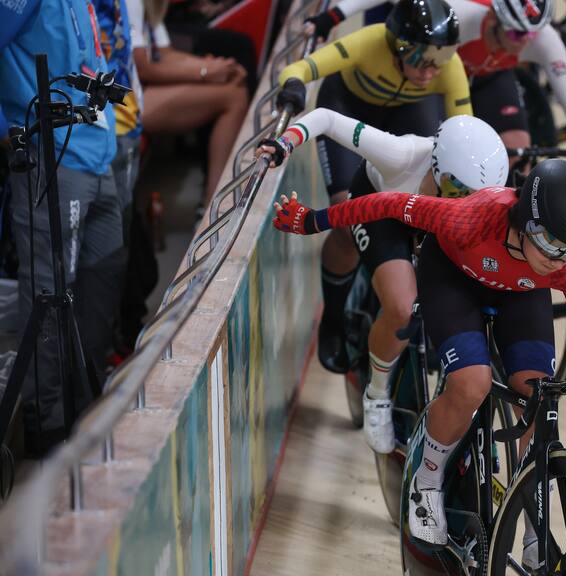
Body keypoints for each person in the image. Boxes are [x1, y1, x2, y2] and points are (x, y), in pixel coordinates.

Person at [272, 159, 566, 569]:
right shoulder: (470, 218)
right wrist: (313, 220)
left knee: (539, 396)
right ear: (525, 220)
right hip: (452, 278)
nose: (558, 259)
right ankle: (428, 479)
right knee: (473, 384)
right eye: (548, 242)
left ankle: (532, 526)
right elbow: (386, 203)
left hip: (520, 293)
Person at [256, 109, 508, 453]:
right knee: (402, 307)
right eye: (455, 189)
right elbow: (326, 119)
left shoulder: (464, 198)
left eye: (476, 198)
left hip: (434, 222)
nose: (462, 201)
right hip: (381, 210)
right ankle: (376, 392)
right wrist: (286, 142)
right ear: (434, 166)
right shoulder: (400, 155)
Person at [276, 0, 472, 375]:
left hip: (409, 113)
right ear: (398, 46)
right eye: (423, 58)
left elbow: (464, 134)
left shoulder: (448, 69)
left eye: (442, 57)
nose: (432, 70)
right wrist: (295, 88)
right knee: (345, 217)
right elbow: (300, 68)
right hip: (349, 108)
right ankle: (332, 319)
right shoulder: (369, 41)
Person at [0, 0, 124, 455]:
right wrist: (8, 129)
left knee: (102, 280)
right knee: (50, 299)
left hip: (98, 153)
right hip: (51, 158)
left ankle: (88, 414)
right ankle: (47, 431)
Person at [305, 0, 566, 174]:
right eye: (517, 32)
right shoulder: (460, 12)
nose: (524, 40)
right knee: (432, 155)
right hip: (439, 81)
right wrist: (332, 16)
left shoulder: (543, 39)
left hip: (491, 79)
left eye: (532, 32)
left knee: (518, 151)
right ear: (494, 17)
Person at [125, 0, 249, 205]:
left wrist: (217, 66)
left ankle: (215, 199)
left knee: (235, 84)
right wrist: (204, 72)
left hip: (142, 88)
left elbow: (165, 54)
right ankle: (214, 205)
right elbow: (143, 68)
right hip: (125, 99)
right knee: (233, 96)